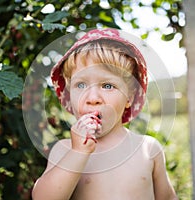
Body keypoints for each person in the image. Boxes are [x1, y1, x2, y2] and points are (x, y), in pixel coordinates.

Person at [32, 28, 177, 200]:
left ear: (129, 98)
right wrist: (78, 152)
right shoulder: (65, 150)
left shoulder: (148, 148)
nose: (92, 98)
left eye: (107, 86)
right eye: (81, 85)